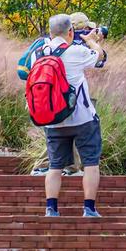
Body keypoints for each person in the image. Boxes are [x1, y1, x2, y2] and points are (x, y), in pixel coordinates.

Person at [31, 14, 106, 217]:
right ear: (70, 31)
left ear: (50, 31)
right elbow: (100, 58)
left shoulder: (37, 53)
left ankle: (51, 209)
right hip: (82, 118)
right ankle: (89, 209)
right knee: (91, 163)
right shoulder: (77, 51)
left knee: (54, 166)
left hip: (52, 119)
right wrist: (93, 41)